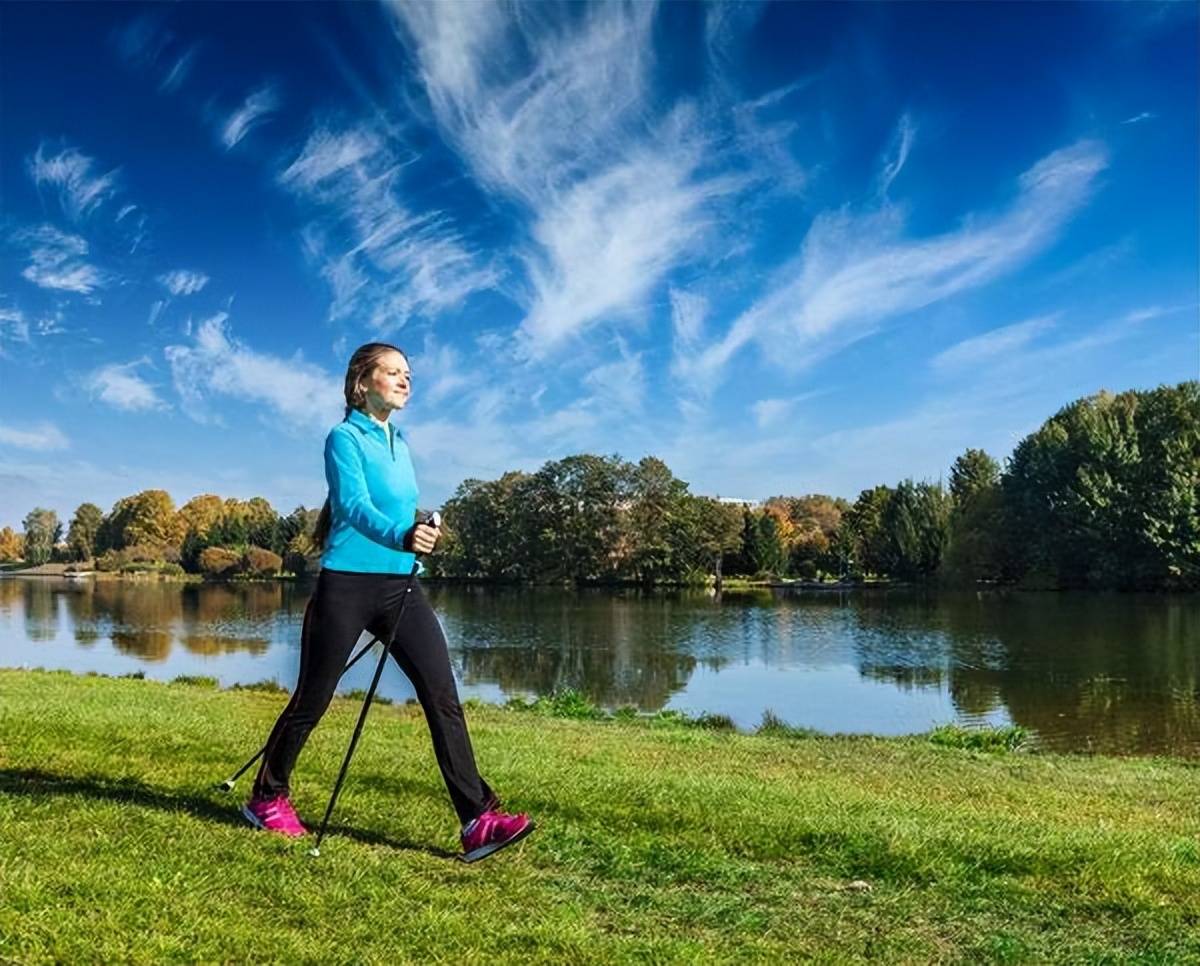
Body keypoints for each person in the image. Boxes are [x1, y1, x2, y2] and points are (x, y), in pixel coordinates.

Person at [243, 342, 534, 862]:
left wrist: (422, 532)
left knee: (442, 695)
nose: (405, 381)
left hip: (402, 587)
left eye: (408, 374)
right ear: (363, 382)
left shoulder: (400, 441)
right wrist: (403, 534)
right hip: (346, 587)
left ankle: (477, 819)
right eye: (393, 372)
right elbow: (353, 507)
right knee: (312, 700)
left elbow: (402, 512)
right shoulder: (343, 438)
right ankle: (267, 797)